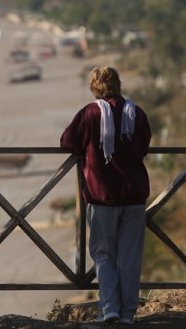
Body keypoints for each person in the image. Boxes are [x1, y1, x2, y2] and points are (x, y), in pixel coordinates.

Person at [60, 66, 152, 324]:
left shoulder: (90, 113)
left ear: (95, 88)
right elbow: (144, 145)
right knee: (130, 257)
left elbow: (68, 141)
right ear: (118, 84)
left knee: (103, 253)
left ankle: (109, 307)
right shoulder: (137, 114)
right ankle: (127, 313)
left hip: (103, 197)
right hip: (134, 196)